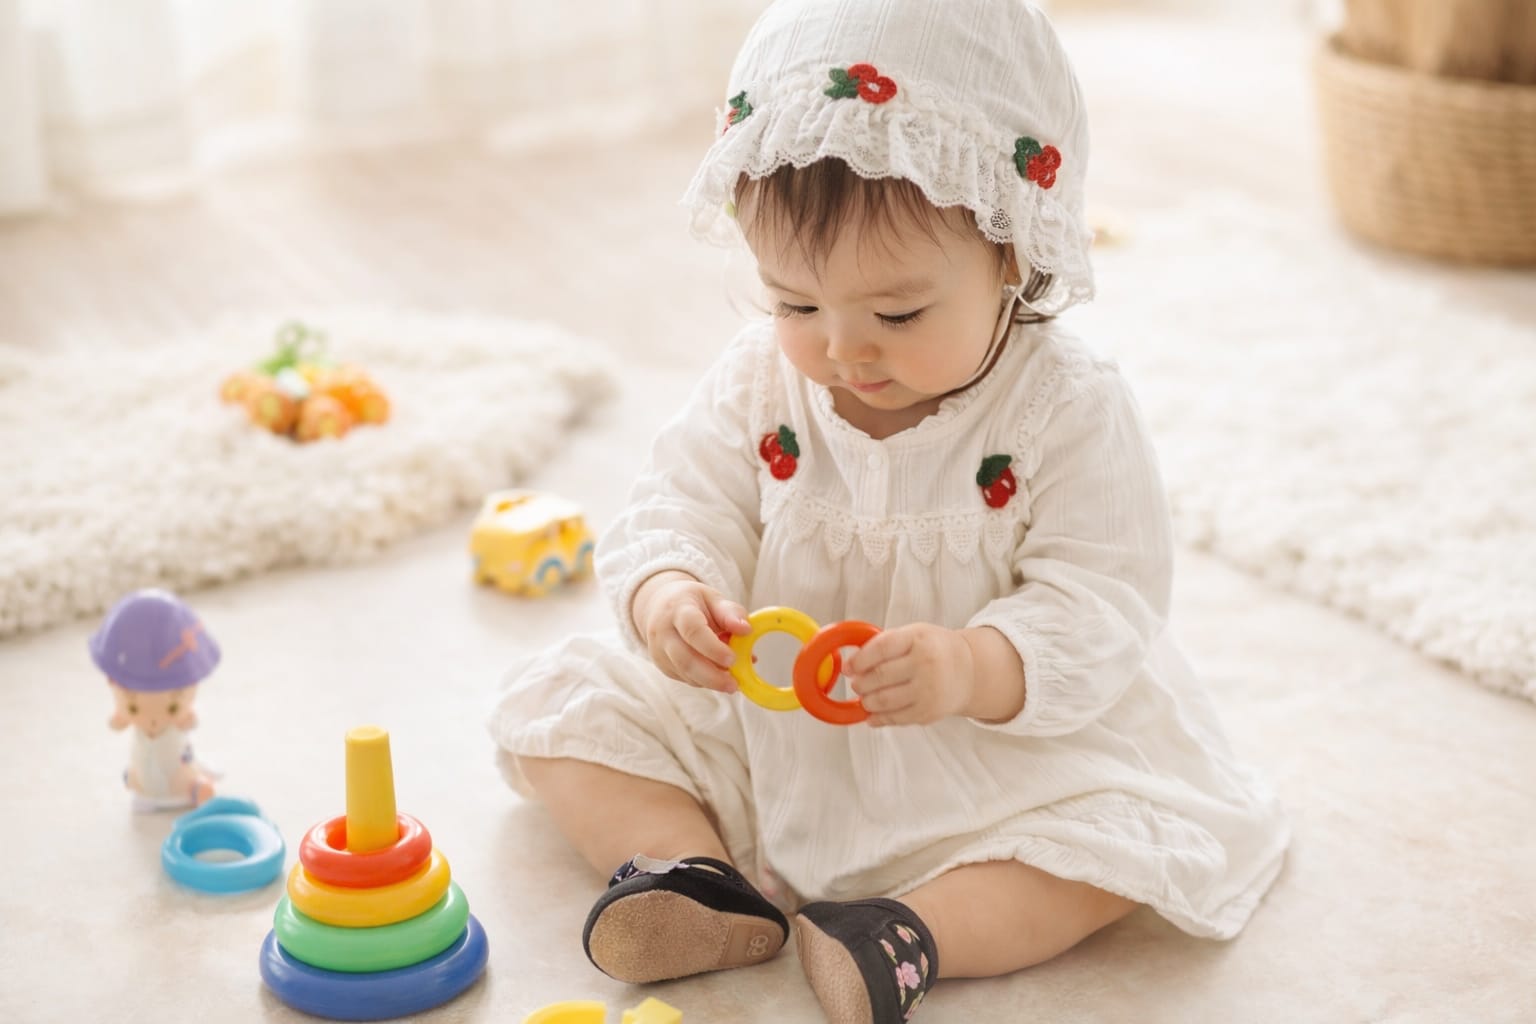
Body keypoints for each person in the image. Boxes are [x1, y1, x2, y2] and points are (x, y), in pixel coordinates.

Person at [490, 1, 1289, 1020]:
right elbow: (680, 500)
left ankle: (914, 933)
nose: (843, 350)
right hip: (768, 731)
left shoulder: (1065, 408)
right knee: (566, 704)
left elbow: (1105, 598)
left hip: (990, 759)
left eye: (898, 313)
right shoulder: (758, 386)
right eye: (795, 304)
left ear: (1010, 251)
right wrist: (671, 593)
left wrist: (974, 665)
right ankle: (695, 877)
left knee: (1121, 846)